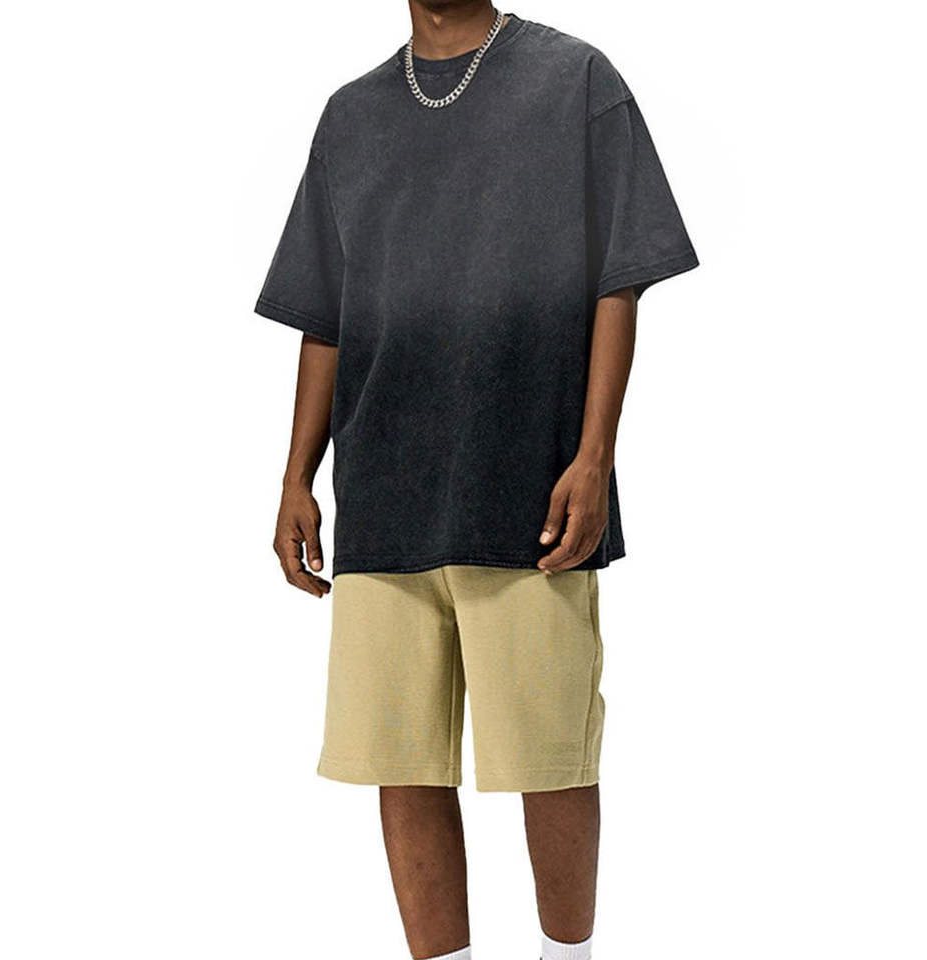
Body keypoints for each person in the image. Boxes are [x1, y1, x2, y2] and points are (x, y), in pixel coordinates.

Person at [255, 3, 697, 957]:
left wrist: (594, 456)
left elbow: (619, 281)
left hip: (527, 485)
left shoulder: (575, 81)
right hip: (383, 490)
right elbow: (324, 319)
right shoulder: (350, 115)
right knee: (400, 758)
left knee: (550, 755)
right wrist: (297, 476)